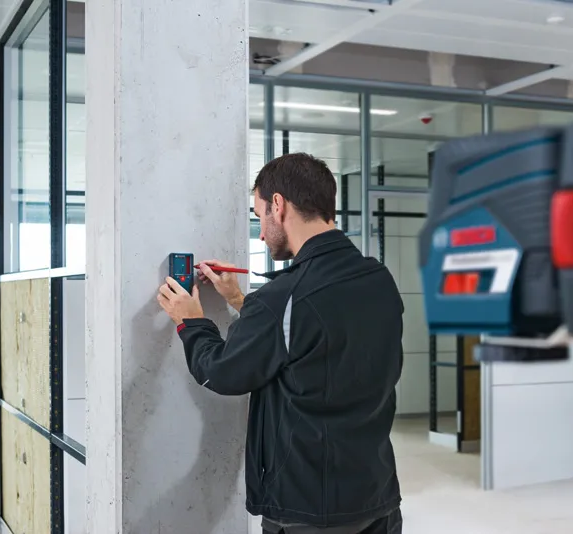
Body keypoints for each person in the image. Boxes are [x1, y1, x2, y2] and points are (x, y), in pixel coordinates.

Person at [157, 152, 404, 534]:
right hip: (378, 498)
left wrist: (191, 322)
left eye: (259, 217)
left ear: (278, 205)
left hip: (308, 510)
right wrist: (242, 302)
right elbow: (319, 340)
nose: (260, 232)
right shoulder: (377, 279)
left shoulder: (282, 298)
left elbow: (222, 372)